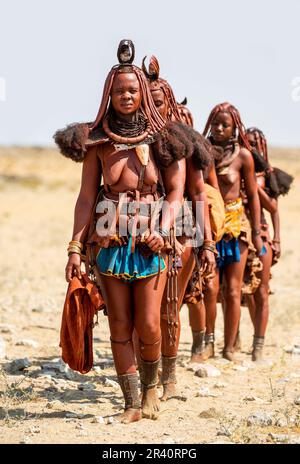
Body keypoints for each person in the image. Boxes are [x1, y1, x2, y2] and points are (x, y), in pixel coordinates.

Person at [55, 40, 188, 423]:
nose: (126, 96)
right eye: (118, 91)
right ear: (108, 95)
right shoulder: (99, 143)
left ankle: (151, 389)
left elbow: (176, 191)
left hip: (152, 244)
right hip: (110, 240)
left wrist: (163, 231)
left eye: (132, 90)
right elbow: (85, 198)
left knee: (148, 323)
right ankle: (130, 403)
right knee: (119, 325)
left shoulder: (164, 139)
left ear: (142, 91)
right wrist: (75, 249)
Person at [143, 55, 216, 398]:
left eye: (156, 102)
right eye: (146, 101)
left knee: (170, 305)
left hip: (180, 229)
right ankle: (146, 379)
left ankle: (168, 380)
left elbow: (198, 192)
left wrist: (208, 243)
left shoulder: (183, 140)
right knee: (139, 309)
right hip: (134, 224)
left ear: (168, 103)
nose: (150, 108)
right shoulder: (128, 135)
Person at [202, 102, 264, 361]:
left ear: (234, 127)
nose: (218, 128)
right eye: (215, 123)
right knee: (210, 286)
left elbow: (253, 195)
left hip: (236, 227)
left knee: (233, 290)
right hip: (209, 225)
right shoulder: (203, 153)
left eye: (224, 125)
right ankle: (208, 343)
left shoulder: (243, 157)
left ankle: (229, 348)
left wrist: (259, 231)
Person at [243, 127, 293, 360]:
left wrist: (277, 238)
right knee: (242, 291)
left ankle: (258, 343)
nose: (249, 146)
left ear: (261, 145)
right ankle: (235, 341)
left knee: (261, 291)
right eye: (246, 141)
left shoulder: (265, 175)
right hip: (238, 233)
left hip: (260, 235)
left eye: (253, 142)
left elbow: (273, 209)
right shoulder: (238, 165)